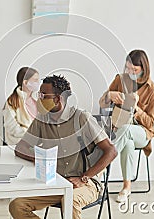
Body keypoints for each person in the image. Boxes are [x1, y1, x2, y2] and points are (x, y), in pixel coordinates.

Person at [9, 75, 117, 219]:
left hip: (84, 184)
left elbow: (111, 151)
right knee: (17, 205)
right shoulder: (42, 120)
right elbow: (20, 148)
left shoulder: (81, 118)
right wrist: (39, 158)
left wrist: (84, 178)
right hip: (56, 183)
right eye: (39, 94)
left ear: (57, 99)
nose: (39, 98)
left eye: (43, 95)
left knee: (70, 200)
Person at [99, 49, 154, 202]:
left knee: (127, 131)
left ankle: (99, 170)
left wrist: (136, 108)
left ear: (144, 68)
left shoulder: (153, 90)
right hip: (120, 129)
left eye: (135, 69)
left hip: (143, 133)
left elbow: (151, 123)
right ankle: (127, 187)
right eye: (128, 68)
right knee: (127, 143)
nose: (130, 72)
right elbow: (101, 103)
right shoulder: (120, 80)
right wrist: (109, 96)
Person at [3, 67, 40, 145]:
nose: (38, 83)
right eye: (35, 80)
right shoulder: (12, 102)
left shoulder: (37, 100)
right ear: (25, 82)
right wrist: (30, 135)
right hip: (18, 144)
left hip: (37, 144)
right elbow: (11, 127)